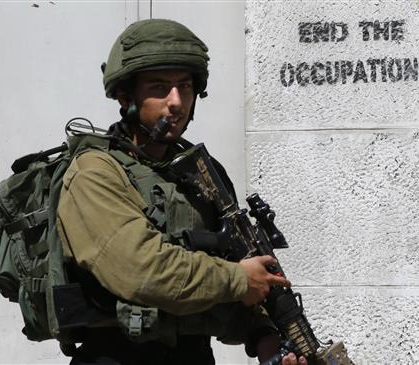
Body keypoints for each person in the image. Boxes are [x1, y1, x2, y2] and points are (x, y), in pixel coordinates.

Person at [55, 18, 307, 365]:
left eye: (185, 87)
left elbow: (232, 277)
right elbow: (141, 271)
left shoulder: (202, 173)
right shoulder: (94, 173)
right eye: (159, 87)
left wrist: (264, 338)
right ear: (125, 96)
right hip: (115, 355)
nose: (176, 102)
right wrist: (238, 279)